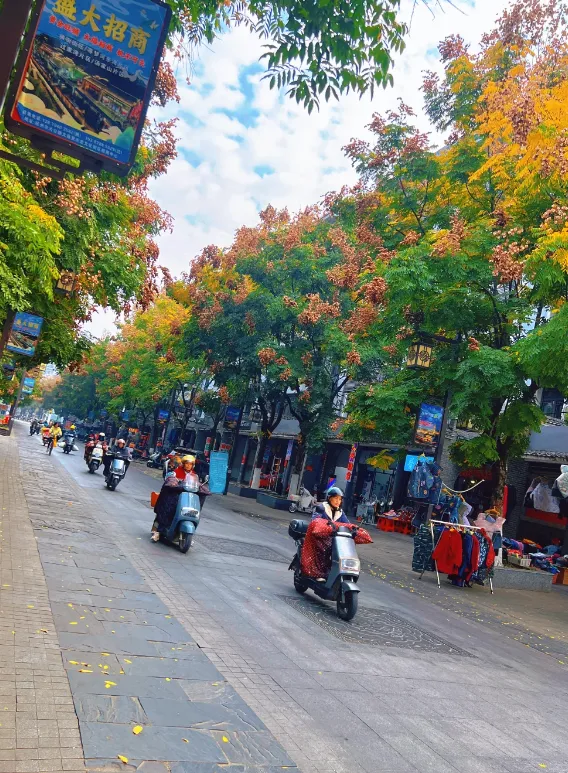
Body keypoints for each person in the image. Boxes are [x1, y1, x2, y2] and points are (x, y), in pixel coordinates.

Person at [151, 455, 202, 542]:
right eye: (187, 464)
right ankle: (159, 531)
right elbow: (169, 479)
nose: (188, 466)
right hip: (175, 496)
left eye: (190, 464)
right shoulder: (176, 472)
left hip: (186, 499)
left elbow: (197, 485)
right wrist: (173, 482)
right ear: (183, 464)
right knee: (168, 509)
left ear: (193, 465)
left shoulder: (194, 475)